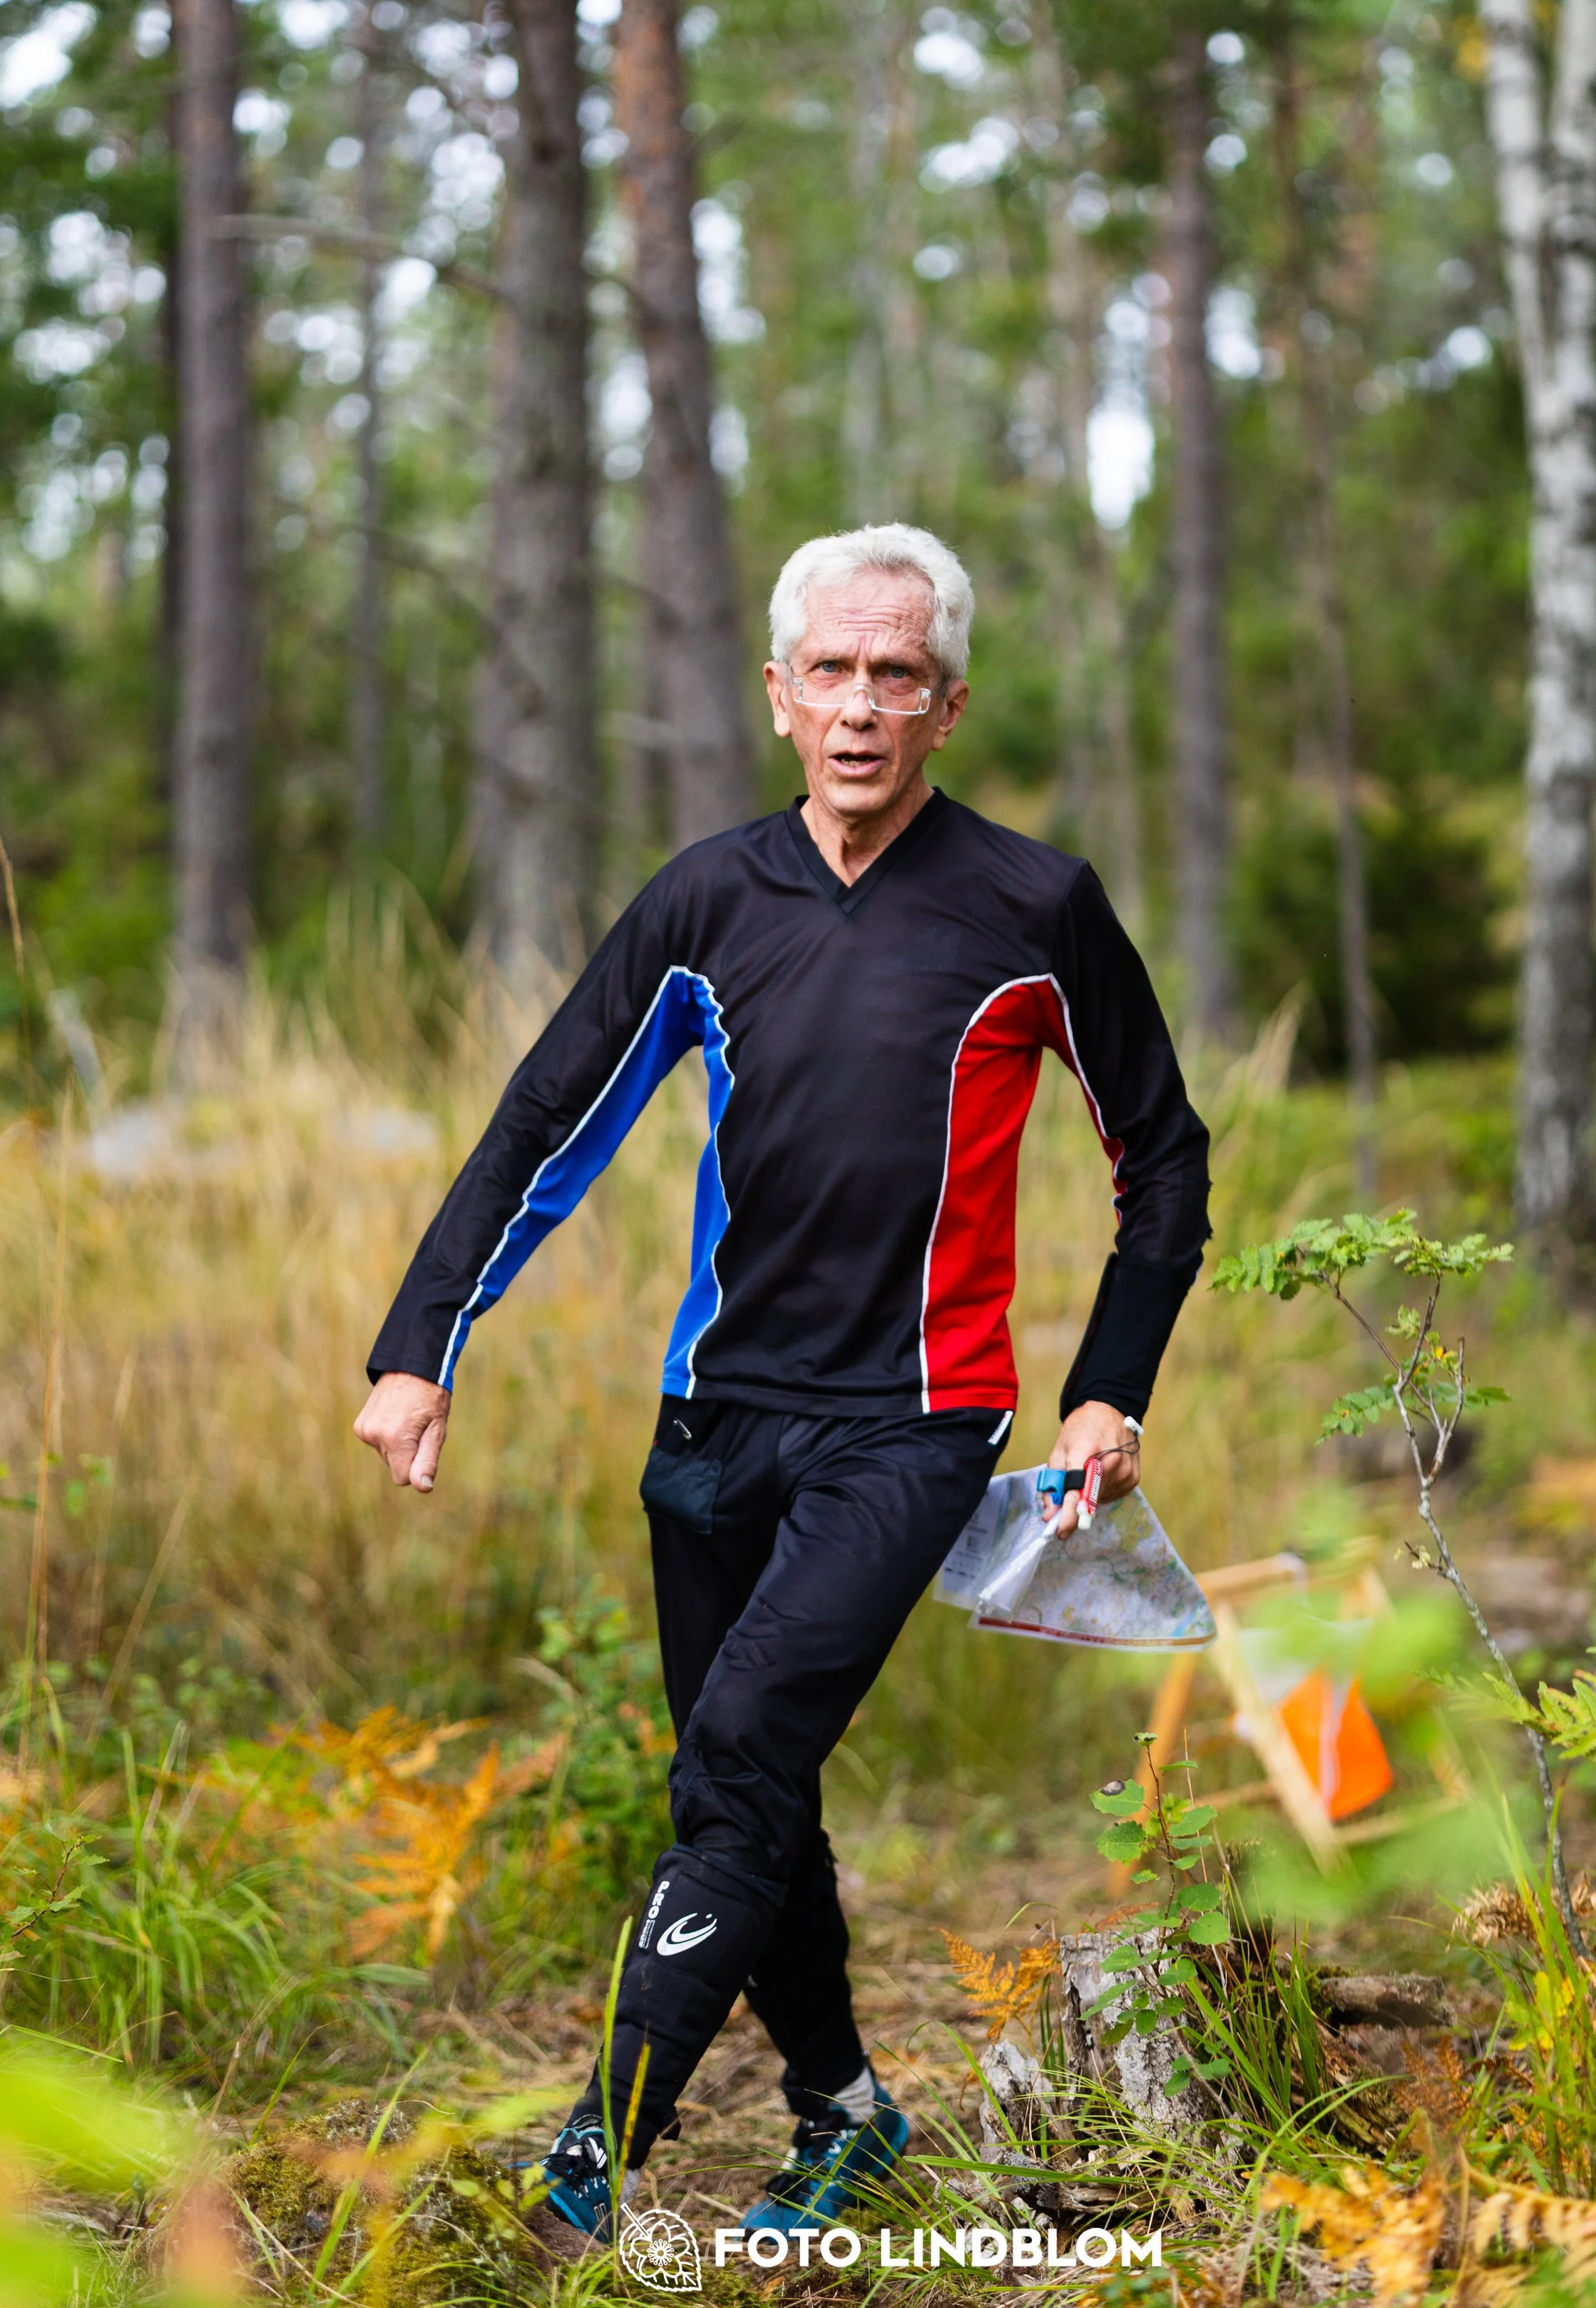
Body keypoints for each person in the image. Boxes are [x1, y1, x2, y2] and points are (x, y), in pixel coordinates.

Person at [352, 523, 1212, 2238]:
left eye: (898, 675)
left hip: (913, 1422)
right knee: (750, 1784)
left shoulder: (1033, 907)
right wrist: (418, 1343)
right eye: (831, 669)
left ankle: (595, 2150)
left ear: (948, 704)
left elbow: (1163, 1159)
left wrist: (1107, 1386)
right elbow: (547, 1122)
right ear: (776, 691)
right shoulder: (702, 899)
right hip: (708, 1425)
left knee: (742, 1740)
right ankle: (845, 2108)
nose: (861, 708)